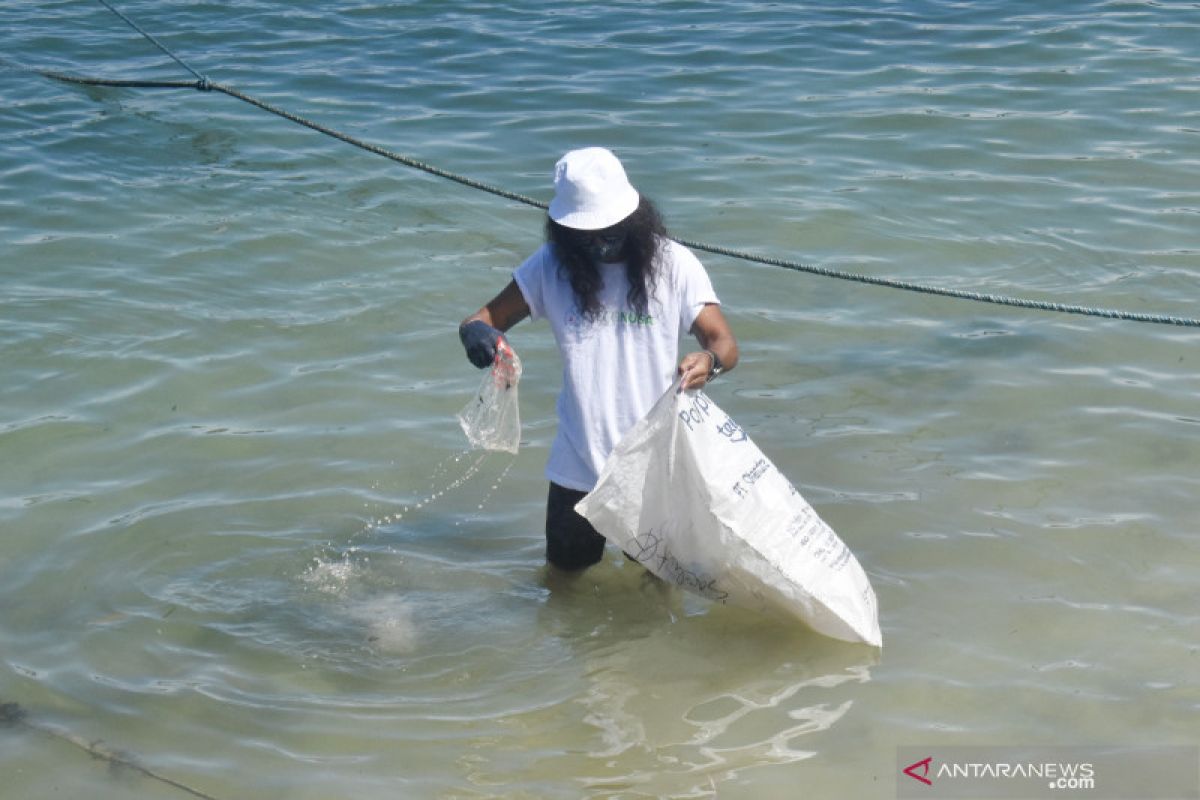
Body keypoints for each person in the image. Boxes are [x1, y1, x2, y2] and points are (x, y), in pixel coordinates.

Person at [458, 147, 738, 571]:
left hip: (652, 470)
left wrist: (708, 362)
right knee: (562, 590)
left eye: (609, 232)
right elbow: (481, 320)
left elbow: (724, 344)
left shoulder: (674, 265)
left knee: (655, 598)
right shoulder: (551, 267)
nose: (600, 244)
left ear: (634, 219)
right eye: (585, 236)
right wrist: (480, 339)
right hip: (576, 469)